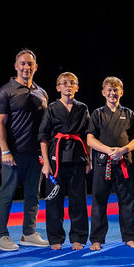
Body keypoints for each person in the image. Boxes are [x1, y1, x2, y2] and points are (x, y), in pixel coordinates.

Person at [0, 48, 49, 251]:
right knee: (7, 194)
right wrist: (5, 151)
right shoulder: (5, 91)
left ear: (36, 67)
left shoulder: (42, 92)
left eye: (30, 64)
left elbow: (45, 126)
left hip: (36, 154)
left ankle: (29, 233)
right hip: (14, 154)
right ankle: (1, 236)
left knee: (33, 194)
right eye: (23, 63)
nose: (26, 67)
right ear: (16, 66)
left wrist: (45, 154)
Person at [87, 76, 134, 250]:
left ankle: (129, 237)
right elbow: (90, 139)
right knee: (99, 201)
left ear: (121, 92)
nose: (112, 93)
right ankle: (96, 239)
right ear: (103, 93)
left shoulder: (128, 113)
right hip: (103, 163)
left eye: (116, 90)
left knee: (127, 200)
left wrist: (123, 150)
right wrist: (109, 150)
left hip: (124, 162)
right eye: (109, 90)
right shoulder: (97, 114)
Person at [38, 72, 91, 250]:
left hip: (77, 157)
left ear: (77, 87)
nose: (68, 85)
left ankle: (78, 237)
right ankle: (55, 238)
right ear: (58, 87)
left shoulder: (82, 108)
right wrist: (46, 163)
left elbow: (88, 135)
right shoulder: (52, 108)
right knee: (54, 200)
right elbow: (43, 137)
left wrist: (89, 159)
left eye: (72, 83)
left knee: (78, 200)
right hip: (56, 159)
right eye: (64, 83)